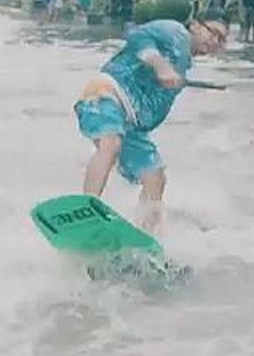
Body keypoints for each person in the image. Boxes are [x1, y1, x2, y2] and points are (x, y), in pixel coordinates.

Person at [73, 16, 228, 235]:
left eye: (222, 41)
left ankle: (146, 237)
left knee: (155, 176)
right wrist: (160, 66)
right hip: (106, 94)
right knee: (110, 144)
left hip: (131, 123)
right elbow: (137, 36)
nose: (215, 42)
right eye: (214, 33)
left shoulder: (182, 64)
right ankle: (85, 210)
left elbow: (153, 107)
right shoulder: (175, 31)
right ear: (194, 25)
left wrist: (169, 77)